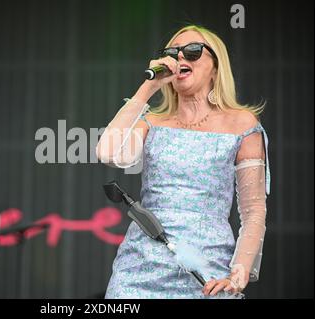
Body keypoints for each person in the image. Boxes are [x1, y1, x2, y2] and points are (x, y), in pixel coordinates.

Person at [96, 25, 271, 299]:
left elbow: (253, 210)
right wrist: (148, 87)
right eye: (173, 53)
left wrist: (238, 276)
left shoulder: (242, 124)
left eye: (192, 51)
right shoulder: (152, 121)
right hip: (139, 271)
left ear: (215, 66)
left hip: (206, 272)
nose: (181, 59)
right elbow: (109, 153)